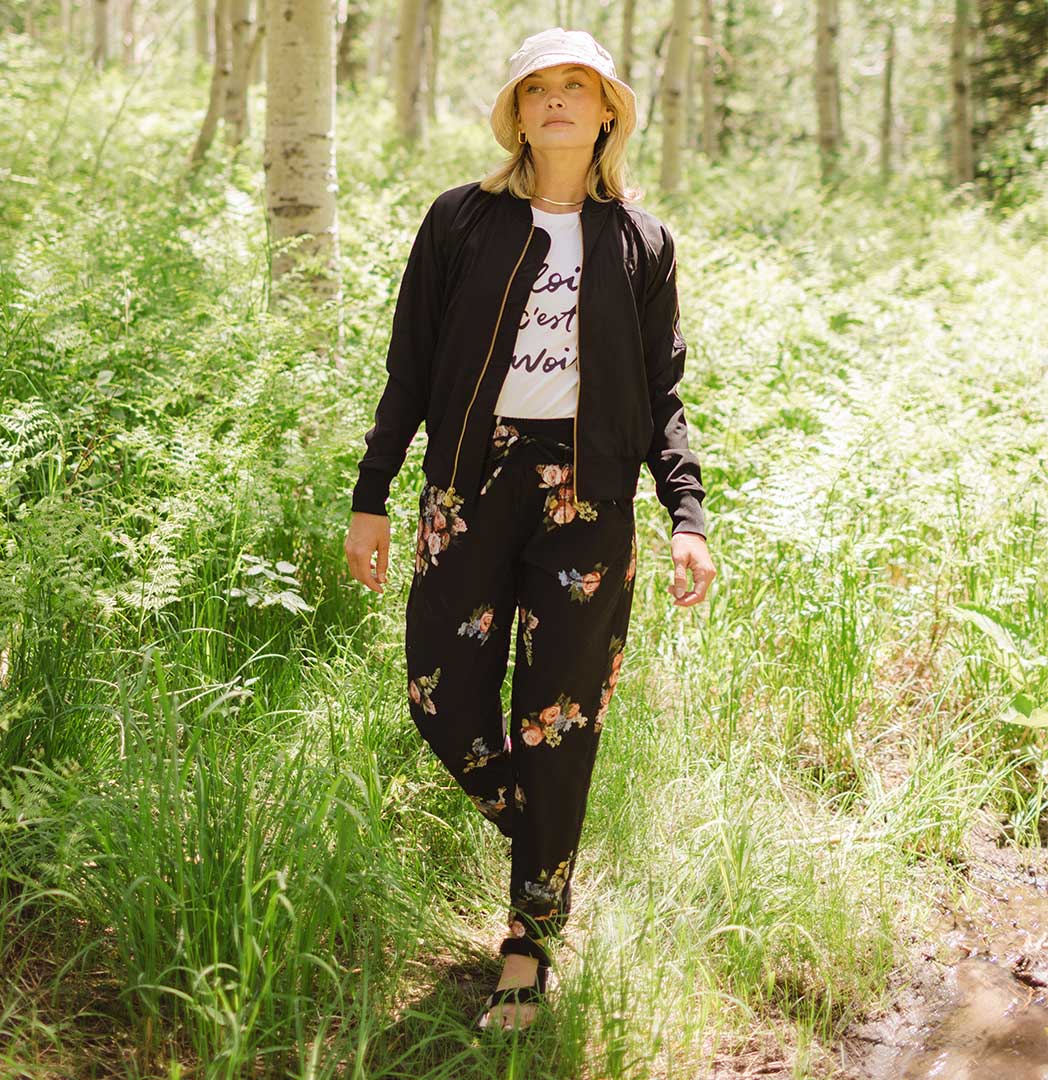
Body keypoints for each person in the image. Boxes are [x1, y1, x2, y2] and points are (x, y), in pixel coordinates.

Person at [344, 27, 716, 1032]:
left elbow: (664, 394)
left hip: (588, 500)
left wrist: (686, 513)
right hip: (471, 485)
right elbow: (411, 365)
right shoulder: (461, 221)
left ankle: (529, 939)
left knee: (560, 717)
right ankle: (545, 842)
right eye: (537, 86)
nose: (556, 100)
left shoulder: (640, 243)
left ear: (607, 112)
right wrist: (374, 493)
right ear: (515, 111)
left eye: (576, 86)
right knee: (441, 697)